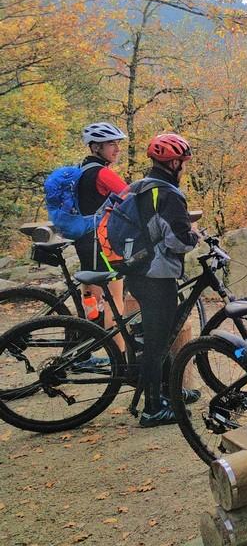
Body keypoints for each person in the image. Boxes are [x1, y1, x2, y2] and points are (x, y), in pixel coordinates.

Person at [123, 133, 200, 427]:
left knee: (159, 336)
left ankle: (166, 393)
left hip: (136, 270)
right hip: (156, 275)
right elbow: (178, 240)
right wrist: (195, 235)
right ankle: (153, 408)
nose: (185, 168)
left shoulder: (139, 187)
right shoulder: (168, 194)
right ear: (174, 162)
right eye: (183, 163)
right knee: (157, 342)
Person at [76, 122, 135, 352]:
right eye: (111, 144)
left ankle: (85, 350)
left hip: (84, 241)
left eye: (117, 143)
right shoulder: (102, 173)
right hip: (101, 242)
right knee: (115, 299)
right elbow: (131, 198)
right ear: (96, 148)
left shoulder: (81, 169)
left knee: (91, 297)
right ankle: (118, 356)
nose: (117, 149)